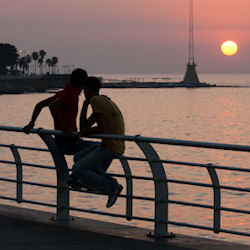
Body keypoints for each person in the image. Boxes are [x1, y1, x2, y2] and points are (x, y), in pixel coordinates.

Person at [68, 76, 125, 208]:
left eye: (84, 90)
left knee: (77, 168)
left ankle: (110, 187)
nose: (83, 93)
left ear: (87, 89)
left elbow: (101, 128)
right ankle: (108, 182)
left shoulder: (96, 100)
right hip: (111, 144)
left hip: (111, 146)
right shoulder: (101, 101)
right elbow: (84, 126)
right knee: (78, 158)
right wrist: (84, 106)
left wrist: (84, 132)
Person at [23, 68, 96, 155]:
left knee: (93, 152)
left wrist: (31, 123)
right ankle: (83, 167)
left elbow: (40, 105)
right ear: (83, 82)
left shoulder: (62, 93)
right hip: (68, 142)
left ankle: (83, 165)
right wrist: (63, 127)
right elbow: (52, 105)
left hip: (60, 141)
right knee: (103, 148)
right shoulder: (71, 94)